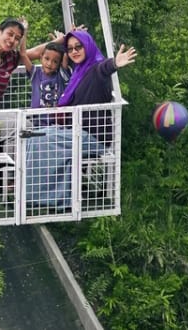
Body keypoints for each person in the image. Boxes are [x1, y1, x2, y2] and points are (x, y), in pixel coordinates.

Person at [25, 29, 138, 211]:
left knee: (43, 138)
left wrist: (115, 63)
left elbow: (104, 69)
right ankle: (36, 192)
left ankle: (49, 198)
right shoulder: (78, 71)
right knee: (32, 136)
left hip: (94, 137)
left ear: (88, 47)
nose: (74, 51)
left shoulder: (95, 68)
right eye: (70, 49)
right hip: (76, 132)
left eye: (79, 47)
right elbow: (50, 57)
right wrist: (61, 41)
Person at [29, 40, 71, 110]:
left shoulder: (61, 75)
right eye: (47, 58)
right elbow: (23, 54)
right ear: (41, 57)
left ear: (59, 64)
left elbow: (65, 56)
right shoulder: (36, 73)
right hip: (38, 118)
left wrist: (63, 41)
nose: (49, 64)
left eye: (55, 61)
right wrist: (57, 41)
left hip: (57, 118)